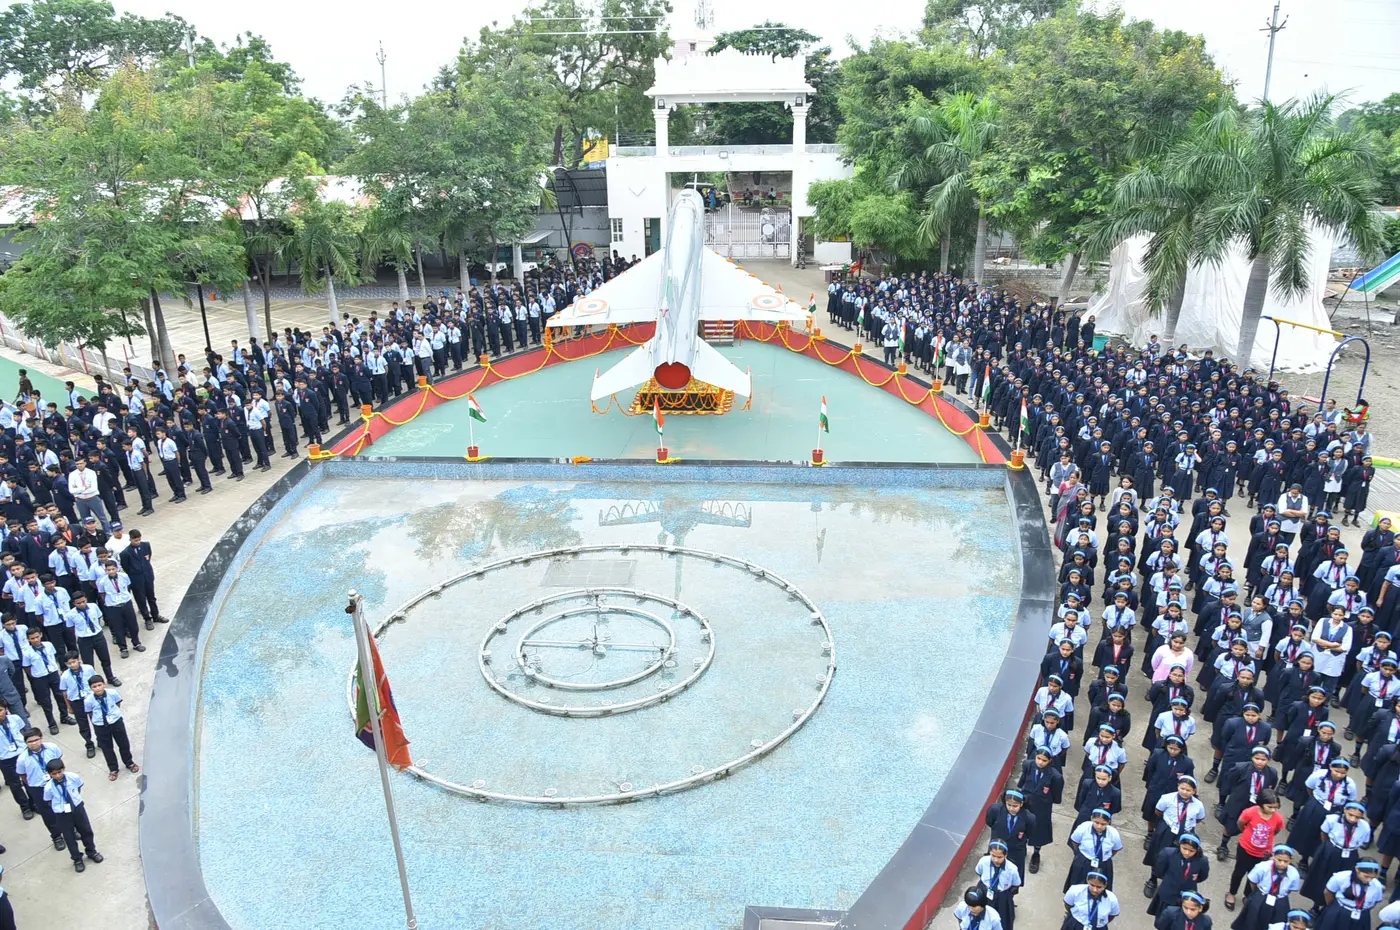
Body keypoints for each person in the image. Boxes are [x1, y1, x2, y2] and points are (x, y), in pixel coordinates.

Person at [1226, 792, 1286, 910]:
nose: (1273, 810)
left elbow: (1276, 830)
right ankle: (1231, 893)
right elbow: (1241, 824)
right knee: (1239, 872)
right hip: (1245, 849)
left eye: (1276, 807)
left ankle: (1247, 895)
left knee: (1254, 875)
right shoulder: (1250, 812)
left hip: (1263, 853)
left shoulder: (1278, 818)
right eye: (1270, 807)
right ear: (1261, 804)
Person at [42, 757, 104, 872]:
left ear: (63, 769)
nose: (57, 775)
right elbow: (49, 801)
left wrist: (74, 801)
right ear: (50, 774)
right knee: (69, 837)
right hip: (62, 814)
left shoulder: (73, 777)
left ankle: (92, 851)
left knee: (86, 830)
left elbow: (79, 787)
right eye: (53, 774)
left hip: (77, 808)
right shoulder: (48, 787)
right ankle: (77, 859)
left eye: (59, 772)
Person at [1232, 844, 1300, 930]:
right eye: (1279, 860)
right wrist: (1257, 894)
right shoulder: (1262, 867)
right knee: (1252, 919)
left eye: (1286, 861)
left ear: (1291, 860)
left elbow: (1291, 889)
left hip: (1280, 899)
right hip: (1262, 894)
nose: (1282, 864)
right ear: (1273, 856)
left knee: (1278, 922)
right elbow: (1253, 881)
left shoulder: (1294, 874)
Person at [85, 674, 138, 780]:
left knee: (123, 743)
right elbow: (90, 713)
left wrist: (113, 715)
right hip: (100, 726)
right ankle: (113, 769)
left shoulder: (112, 693)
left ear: (104, 684)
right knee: (107, 748)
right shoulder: (88, 700)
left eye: (99, 685)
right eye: (94, 687)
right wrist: (98, 722)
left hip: (116, 721)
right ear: (90, 688)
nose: (98, 688)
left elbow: (118, 703)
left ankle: (129, 762)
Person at [1146, 833, 1210, 916]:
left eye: (1191, 851)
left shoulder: (1202, 861)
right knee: (1163, 917)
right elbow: (1159, 871)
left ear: (1197, 849)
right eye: (1184, 848)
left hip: (1187, 898)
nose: (1187, 853)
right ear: (1180, 844)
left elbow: (1202, 876)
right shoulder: (1168, 854)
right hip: (1168, 893)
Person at [1064, 808, 1124, 891]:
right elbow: (1075, 841)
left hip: (1103, 863)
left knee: (1099, 886)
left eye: (1103, 824)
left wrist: (1105, 857)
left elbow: (1115, 849)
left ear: (1109, 822)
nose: (1099, 826)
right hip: (1084, 861)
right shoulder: (1083, 828)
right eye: (1096, 822)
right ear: (1092, 818)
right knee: (1078, 884)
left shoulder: (1113, 833)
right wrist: (1080, 854)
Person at [1315, 860, 1384, 930]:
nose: (1369, 880)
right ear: (1357, 869)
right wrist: (1333, 907)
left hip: (1361, 915)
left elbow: (1374, 903)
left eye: (1372, 877)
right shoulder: (1341, 877)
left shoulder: (1377, 886)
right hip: (1339, 911)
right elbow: (1328, 892)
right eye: (1366, 876)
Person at [975, 841, 1022, 930]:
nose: (996, 860)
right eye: (993, 855)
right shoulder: (983, 861)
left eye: (999, 857)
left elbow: (1016, 884)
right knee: (982, 917)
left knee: (1003, 920)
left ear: (1005, 855)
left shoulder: (1012, 869)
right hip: (984, 891)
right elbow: (979, 872)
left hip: (1002, 896)